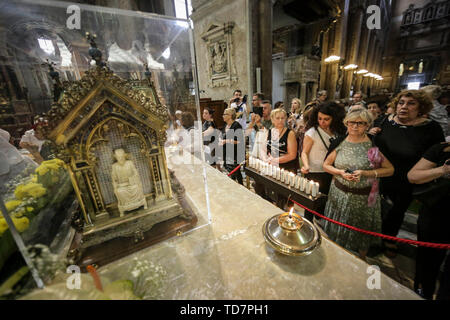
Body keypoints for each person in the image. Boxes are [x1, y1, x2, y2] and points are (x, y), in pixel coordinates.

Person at [370, 89, 445, 257]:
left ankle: (389, 238)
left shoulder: (430, 128)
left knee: (397, 211)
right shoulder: (383, 121)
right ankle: (373, 238)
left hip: (406, 179)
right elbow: (371, 145)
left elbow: (436, 154)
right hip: (379, 175)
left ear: (421, 108)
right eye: (401, 103)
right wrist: (370, 133)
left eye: (411, 104)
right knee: (375, 209)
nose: (404, 107)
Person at [322, 109, 394, 260]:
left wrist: (365, 173)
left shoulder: (371, 145)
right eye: (351, 122)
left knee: (361, 231)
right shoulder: (340, 142)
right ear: (346, 123)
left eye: (360, 123)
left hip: (364, 198)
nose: (355, 126)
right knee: (337, 228)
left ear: (367, 125)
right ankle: (336, 256)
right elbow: (326, 165)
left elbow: (389, 170)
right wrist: (340, 172)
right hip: (339, 193)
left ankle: (360, 261)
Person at [407, 141, 450, 300]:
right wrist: (443, 170)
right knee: (427, 261)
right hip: (436, 215)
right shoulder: (441, 149)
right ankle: (422, 292)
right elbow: (412, 176)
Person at [301, 102, 346, 198]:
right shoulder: (312, 132)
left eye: (326, 119)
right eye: (319, 118)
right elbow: (304, 152)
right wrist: (306, 165)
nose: (322, 122)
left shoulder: (337, 131)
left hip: (331, 170)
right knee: (313, 200)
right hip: (315, 172)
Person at [258, 108, 298, 208]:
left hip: (286, 167)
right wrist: (265, 159)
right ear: (272, 119)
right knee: (268, 193)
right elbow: (262, 149)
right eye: (277, 118)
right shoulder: (269, 131)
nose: (280, 120)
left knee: (284, 197)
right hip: (271, 166)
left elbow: (292, 154)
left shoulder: (290, 133)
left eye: (282, 118)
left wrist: (274, 160)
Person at [220, 108, 244, 185]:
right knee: (231, 173)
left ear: (230, 116)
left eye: (224, 114)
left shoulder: (236, 125)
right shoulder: (225, 126)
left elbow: (239, 141)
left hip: (236, 153)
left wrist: (225, 141)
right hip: (227, 153)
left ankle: (241, 187)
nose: (222, 116)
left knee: (236, 173)